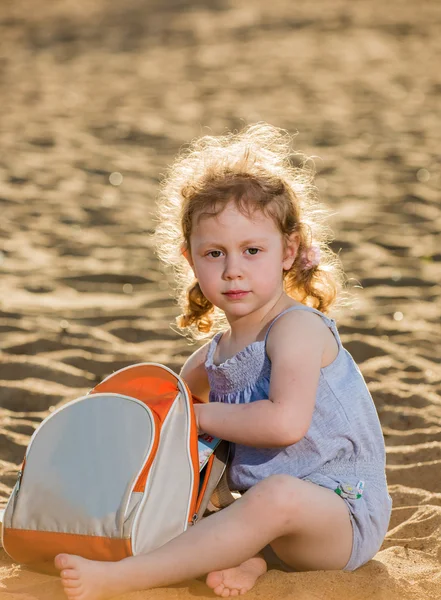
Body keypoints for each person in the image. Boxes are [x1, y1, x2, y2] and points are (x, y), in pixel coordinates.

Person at [55, 123, 392, 600]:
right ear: (190, 258)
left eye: (252, 251)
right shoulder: (214, 353)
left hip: (341, 515)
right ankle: (254, 559)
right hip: (268, 515)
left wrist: (193, 417)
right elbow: (168, 401)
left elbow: (285, 423)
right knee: (228, 500)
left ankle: (129, 577)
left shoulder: (296, 329)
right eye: (214, 253)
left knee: (275, 495)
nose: (233, 269)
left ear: (287, 251)